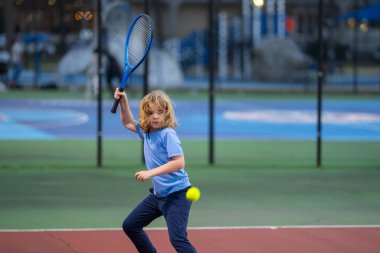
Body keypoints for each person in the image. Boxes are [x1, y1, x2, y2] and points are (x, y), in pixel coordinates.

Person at [113, 89, 197, 253]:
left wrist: (150, 173)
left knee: (178, 240)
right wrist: (123, 100)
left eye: (160, 112)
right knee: (130, 225)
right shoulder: (147, 131)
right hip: (159, 196)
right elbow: (127, 122)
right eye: (150, 113)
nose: (155, 116)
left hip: (177, 195)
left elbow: (179, 163)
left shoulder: (168, 134)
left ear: (167, 113)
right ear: (145, 114)